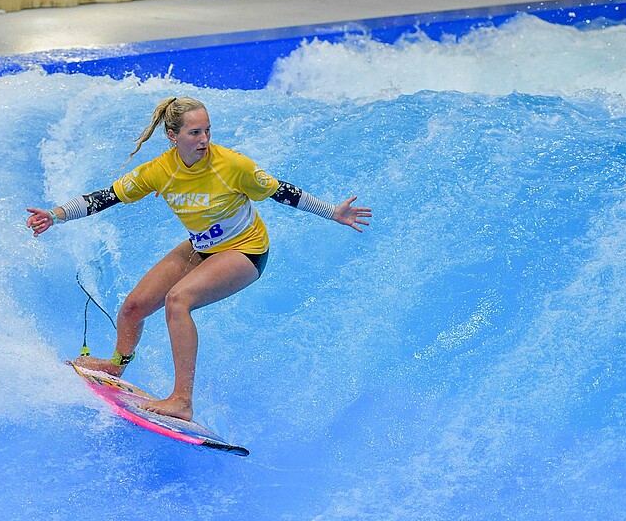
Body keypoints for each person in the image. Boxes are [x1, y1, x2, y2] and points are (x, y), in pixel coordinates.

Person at [26, 96, 371, 421]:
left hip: (245, 251)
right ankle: (117, 364)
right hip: (202, 247)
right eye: (195, 132)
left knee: (179, 300)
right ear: (173, 136)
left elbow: (282, 191)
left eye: (207, 130)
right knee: (133, 307)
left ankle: (182, 401)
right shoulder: (160, 171)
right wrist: (55, 215)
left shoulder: (232, 166)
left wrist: (333, 212)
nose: (204, 139)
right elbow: (108, 196)